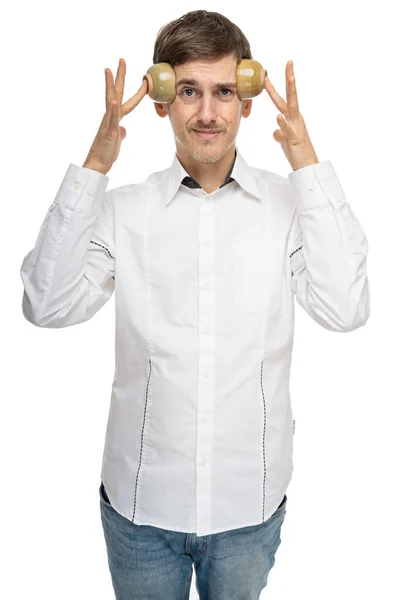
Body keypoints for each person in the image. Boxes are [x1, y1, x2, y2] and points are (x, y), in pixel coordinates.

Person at [19, 9, 370, 600]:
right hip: (139, 507)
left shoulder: (290, 208)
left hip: (248, 506)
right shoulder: (121, 211)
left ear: (248, 100)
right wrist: (95, 165)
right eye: (189, 91)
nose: (207, 113)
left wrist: (306, 160)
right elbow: (45, 305)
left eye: (224, 92)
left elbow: (347, 307)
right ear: (162, 100)